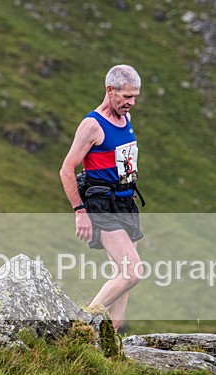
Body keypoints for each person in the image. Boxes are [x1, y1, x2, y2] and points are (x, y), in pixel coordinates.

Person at [59, 65, 145, 331]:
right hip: (102, 205)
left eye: (135, 97)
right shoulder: (92, 125)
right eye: (127, 96)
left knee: (122, 277)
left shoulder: (126, 118)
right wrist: (80, 211)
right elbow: (66, 169)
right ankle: (81, 326)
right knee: (132, 272)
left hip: (125, 202)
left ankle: (111, 340)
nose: (131, 103)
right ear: (110, 90)